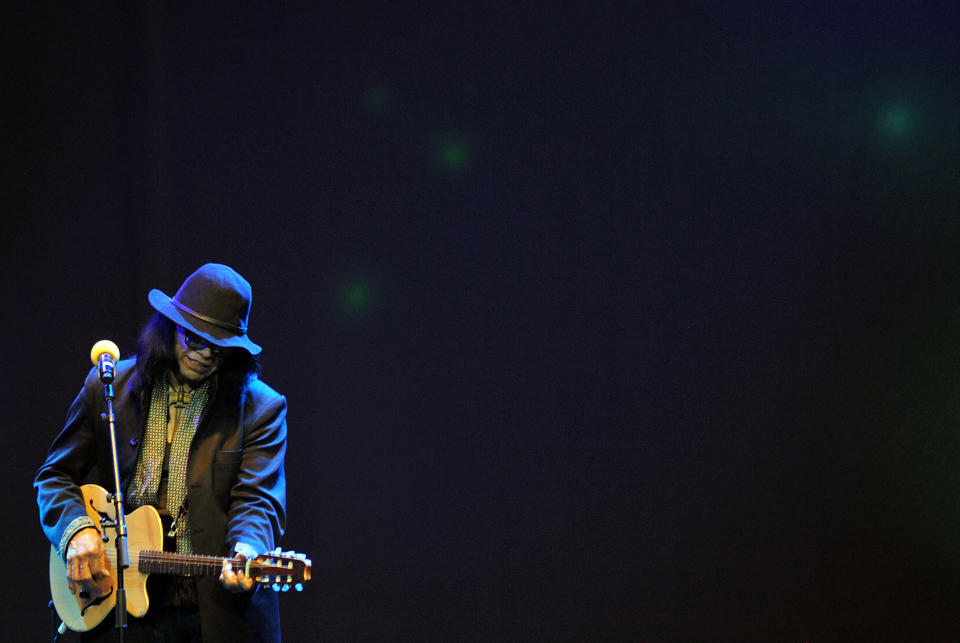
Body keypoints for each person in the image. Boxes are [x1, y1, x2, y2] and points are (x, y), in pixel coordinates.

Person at [35, 263, 288, 642]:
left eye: (218, 348)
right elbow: (54, 476)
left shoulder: (260, 409)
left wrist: (248, 548)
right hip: (121, 606)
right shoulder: (110, 387)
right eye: (194, 338)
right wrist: (76, 532)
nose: (204, 353)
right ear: (171, 326)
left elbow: (258, 500)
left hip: (215, 616)